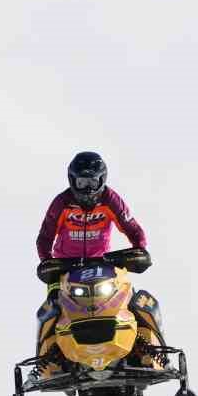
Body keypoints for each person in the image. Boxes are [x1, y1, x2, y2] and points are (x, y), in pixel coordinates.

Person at [30, 152, 150, 380]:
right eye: (82, 182)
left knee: (131, 298)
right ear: (72, 180)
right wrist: (46, 263)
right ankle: (48, 366)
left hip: (103, 264)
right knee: (51, 308)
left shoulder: (111, 200)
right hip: (65, 268)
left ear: (102, 180)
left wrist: (139, 249)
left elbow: (132, 227)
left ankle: (147, 351)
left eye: (92, 182)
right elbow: (44, 237)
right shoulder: (62, 203)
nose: (87, 188)